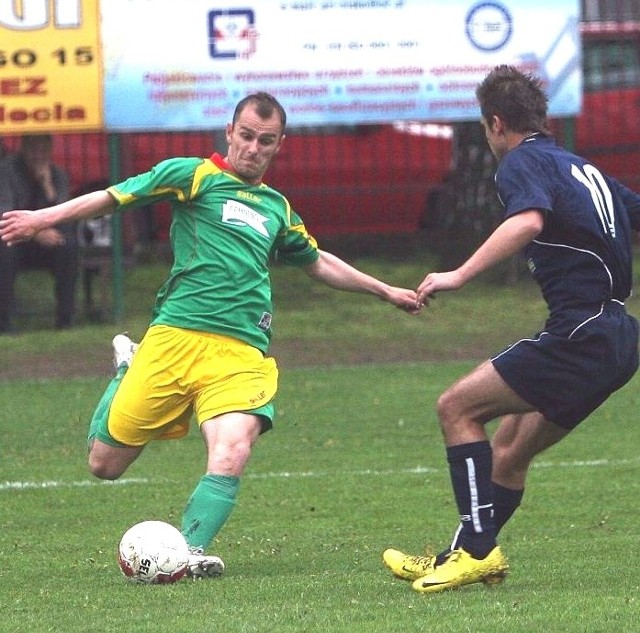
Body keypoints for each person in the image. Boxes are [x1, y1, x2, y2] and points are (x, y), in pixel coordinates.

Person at [0, 92, 422, 579]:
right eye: (246, 136)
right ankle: (126, 368)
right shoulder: (194, 175)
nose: (253, 148)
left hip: (241, 349)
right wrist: (41, 218)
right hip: (176, 338)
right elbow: (114, 197)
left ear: (278, 145)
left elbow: (318, 260)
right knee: (104, 465)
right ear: (230, 132)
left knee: (233, 447)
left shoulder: (277, 208)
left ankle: (191, 550)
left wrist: (384, 290)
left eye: (265, 141)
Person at [382, 65, 640, 593]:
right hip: (619, 337)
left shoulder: (520, 162)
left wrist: (457, 275)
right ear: (539, 117)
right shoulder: (577, 167)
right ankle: (462, 552)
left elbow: (527, 221)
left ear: (496, 124)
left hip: (582, 331)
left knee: (457, 407)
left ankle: (476, 552)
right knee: (510, 446)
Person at [0, 134, 78, 332]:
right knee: (4, 251)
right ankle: (5, 323)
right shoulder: (7, 171)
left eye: (43, 151)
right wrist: (34, 232)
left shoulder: (57, 174)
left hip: (45, 240)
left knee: (68, 247)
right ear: (23, 149)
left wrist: (47, 187)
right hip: (16, 240)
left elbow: (65, 215)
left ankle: (65, 320)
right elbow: (5, 213)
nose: (38, 156)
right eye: (34, 150)